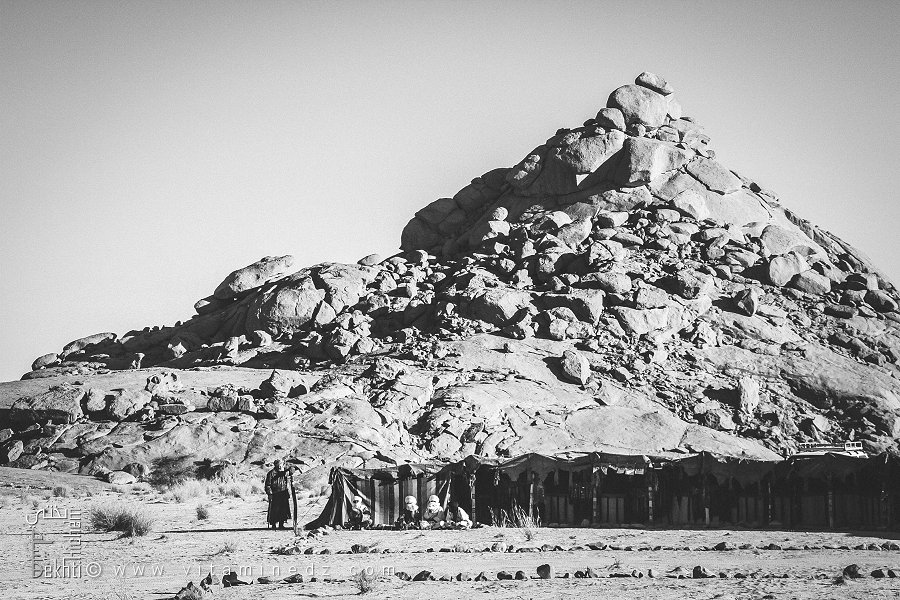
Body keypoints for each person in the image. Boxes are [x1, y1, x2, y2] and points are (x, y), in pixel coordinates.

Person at [264, 459, 292, 529]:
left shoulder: (284, 472)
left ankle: (281, 524)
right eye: (278, 465)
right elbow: (268, 485)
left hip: (283, 493)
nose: (279, 467)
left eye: (281, 465)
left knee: (283, 510)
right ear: (275, 465)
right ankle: (273, 524)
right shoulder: (271, 473)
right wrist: (270, 494)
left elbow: (292, 469)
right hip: (275, 494)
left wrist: (289, 471)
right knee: (275, 510)